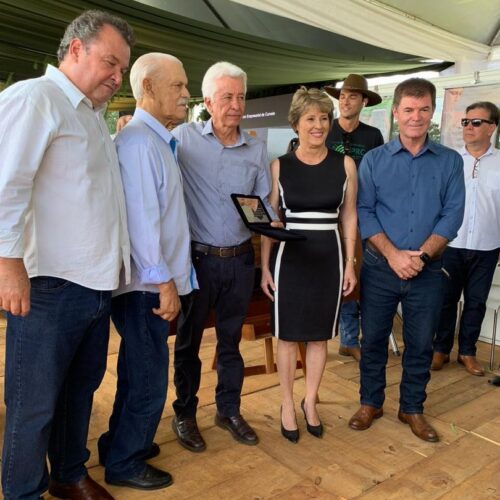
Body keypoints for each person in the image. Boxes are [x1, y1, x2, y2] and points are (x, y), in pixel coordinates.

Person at [0, 10, 134, 500]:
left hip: (94, 283)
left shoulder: (90, 115)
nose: (118, 76)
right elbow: (5, 187)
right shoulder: (37, 98)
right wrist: (8, 265)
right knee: (32, 404)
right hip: (48, 285)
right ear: (75, 49)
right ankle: (23, 492)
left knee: (80, 391)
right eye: (110, 62)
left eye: (123, 68)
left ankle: (69, 474)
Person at [97, 53, 196, 491]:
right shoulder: (139, 143)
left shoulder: (154, 141)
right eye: (178, 86)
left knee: (140, 371)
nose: (186, 94)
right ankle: (125, 461)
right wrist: (163, 282)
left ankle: (118, 441)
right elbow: (142, 222)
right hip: (145, 287)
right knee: (150, 378)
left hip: (148, 284)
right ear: (149, 89)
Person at [349, 78, 465, 443]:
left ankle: (411, 408)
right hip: (380, 268)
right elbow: (364, 212)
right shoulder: (373, 160)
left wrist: (422, 255)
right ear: (396, 113)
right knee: (373, 341)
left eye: (424, 109)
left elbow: (453, 215)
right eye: (409, 110)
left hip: (428, 270)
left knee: (420, 343)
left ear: (433, 113)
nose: (416, 117)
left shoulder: (449, 162)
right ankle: (371, 402)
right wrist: (394, 255)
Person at [171, 61, 275, 451]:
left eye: (241, 97)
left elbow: (262, 205)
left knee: (231, 342)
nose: (235, 104)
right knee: (188, 343)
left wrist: (276, 224)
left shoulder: (256, 149)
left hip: (239, 261)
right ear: (209, 101)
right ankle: (184, 413)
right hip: (197, 261)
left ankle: (228, 409)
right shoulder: (182, 138)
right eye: (227, 97)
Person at [261, 87, 358, 442]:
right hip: (291, 260)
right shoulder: (279, 166)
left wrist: (349, 264)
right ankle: (287, 403)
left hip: (329, 257)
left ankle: (311, 401)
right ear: (296, 124)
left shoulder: (344, 164)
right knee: (286, 337)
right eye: (311, 119)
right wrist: (267, 268)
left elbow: (349, 216)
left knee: (319, 337)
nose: (318, 125)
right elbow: (272, 222)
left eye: (324, 118)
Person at [432, 102, 500, 376]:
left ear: (492, 127)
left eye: (476, 122)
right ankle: (440, 350)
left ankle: (467, 352)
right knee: (445, 300)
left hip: (487, 246)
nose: (468, 127)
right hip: (451, 244)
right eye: (465, 122)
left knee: (476, 301)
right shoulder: (450, 161)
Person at [324, 74, 384, 361]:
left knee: (354, 275)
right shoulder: (324, 129)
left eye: (353, 96)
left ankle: (349, 338)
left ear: (363, 102)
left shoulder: (372, 136)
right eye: (343, 96)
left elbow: (379, 178)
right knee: (326, 274)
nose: (346, 101)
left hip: (359, 216)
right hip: (324, 214)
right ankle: (317, 334)